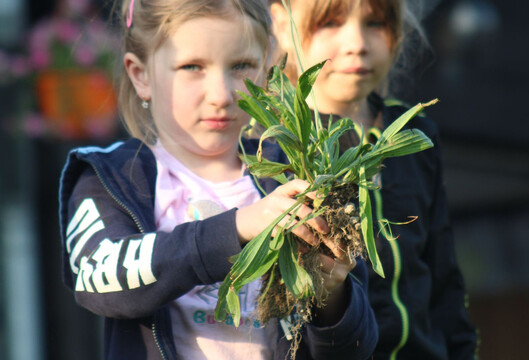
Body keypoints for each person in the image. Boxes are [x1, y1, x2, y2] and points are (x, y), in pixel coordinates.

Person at [58, 0, 379, 359]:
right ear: (140, 75)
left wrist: (330, 293)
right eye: (192, 66)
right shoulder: (111, 178)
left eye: (241, 66)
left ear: (267, 68)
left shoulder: (298, 174)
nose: (221, 96)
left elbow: (354, 348)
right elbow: (101, 281)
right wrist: (237, 227)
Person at [269, 0, 479, 359]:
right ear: (279, 22)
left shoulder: (416, 136)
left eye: (375, 22)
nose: (357, 43)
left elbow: (445, 282)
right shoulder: (270, 148)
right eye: (330, 22)